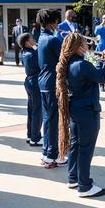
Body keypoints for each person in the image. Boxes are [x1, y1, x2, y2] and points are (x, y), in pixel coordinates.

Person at [56, 33, 105, 198]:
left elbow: (94, 75)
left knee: (76, 145)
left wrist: (102, 61)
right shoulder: (82, 64)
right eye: (85, 43)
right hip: (87, 111)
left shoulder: (69, 64)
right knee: (85, 149)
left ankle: (73, 178)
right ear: (79, 47)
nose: (88, 45)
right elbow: (102, 77)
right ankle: (84, 185)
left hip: (76, 109)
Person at [38, 9, 67, 168]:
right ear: (51, 22)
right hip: (51, 84)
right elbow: (65, 59)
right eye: (57, 21)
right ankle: (52, 155)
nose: (58, 24)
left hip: (43, 83)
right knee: (53, 120)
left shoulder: (42, 37)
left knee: (48, 120)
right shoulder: (53, 40)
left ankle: (47, 152)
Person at [19, 33, 42, 146]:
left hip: (30, 82)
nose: (34, 39)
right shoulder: (33, 53)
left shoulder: (25, 53)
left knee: (32, 110)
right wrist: (37, 47)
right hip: (35, 83)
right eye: (32, 39)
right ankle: (36, 137)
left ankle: (30, 134)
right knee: (38, 111)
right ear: (27, 42)